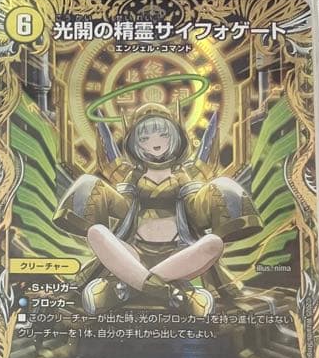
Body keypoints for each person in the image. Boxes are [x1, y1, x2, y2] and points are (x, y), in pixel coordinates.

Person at [53, 102, 261, 316]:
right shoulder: (133, 177)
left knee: (213, 243)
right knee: (97, 232)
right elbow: (123, 209)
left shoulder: (183, 177)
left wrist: (213, 194)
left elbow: (196, 213)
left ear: (176, 138)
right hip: (133, 253)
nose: (155, 143)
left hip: (178, 254)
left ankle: (127, 288)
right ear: (134, 143)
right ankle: (174, 294)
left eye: (163, 135)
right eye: (144, 138)